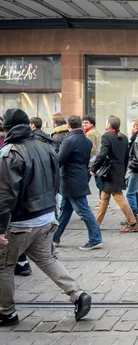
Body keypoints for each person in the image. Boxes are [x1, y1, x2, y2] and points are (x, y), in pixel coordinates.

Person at [0, 108, 92, 327]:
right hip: (46, 215)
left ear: (6, 128)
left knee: (4, 266)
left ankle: (6, 312)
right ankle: (78, 294)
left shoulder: (10, 153)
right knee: (48, 259)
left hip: (21, 221)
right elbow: (55, 181)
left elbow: (5, 195)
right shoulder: (46, 146)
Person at [52, 116, 103, 251]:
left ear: (69, 126)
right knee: (65, 210)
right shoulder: (86, 141)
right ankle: (55, 238)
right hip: (79, 177)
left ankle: (95, 239)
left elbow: (59, 160)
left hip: (70, 180)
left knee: (84, 210)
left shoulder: (69, 140)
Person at [92, 116, 138, 233]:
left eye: (106, 122)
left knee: (118, 197)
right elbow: (126, 157)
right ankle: (96, 223)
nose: (105, 123)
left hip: (110, 173)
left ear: (109, 124)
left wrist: (94, 168)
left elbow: (102, 154)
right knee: (104, 198)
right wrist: (123, 171)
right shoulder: (123, 137)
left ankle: (132, 223)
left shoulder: (106, 136)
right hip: (118, 171)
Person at [82, 115, 102, 197]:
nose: (84, 124)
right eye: (83, 122)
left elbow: (91, 149)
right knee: (99, 182)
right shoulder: (96, 131)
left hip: (91, 161)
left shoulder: (89, 134)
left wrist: (89, 160)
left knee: (84, 182)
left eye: (86, 123)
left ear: (92, 124)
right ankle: (103, 200)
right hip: (96, 159)